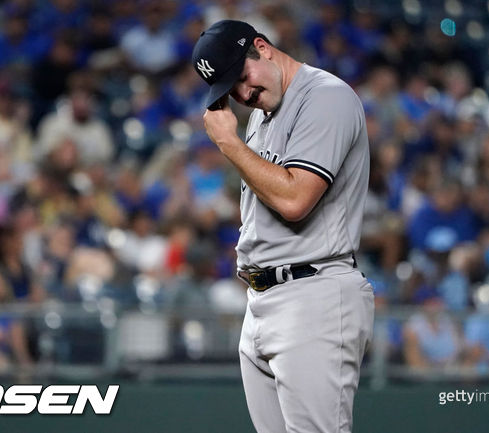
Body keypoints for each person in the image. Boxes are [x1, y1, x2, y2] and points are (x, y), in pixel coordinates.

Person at [192, 20, 374, 433]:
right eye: (230, 91)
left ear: (264, 47)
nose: (242, 94)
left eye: (242, 77)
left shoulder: (326, 97)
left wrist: (228, 143)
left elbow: (295, 200)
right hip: (264, 300)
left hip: (313, 294)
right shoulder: (263, 112)